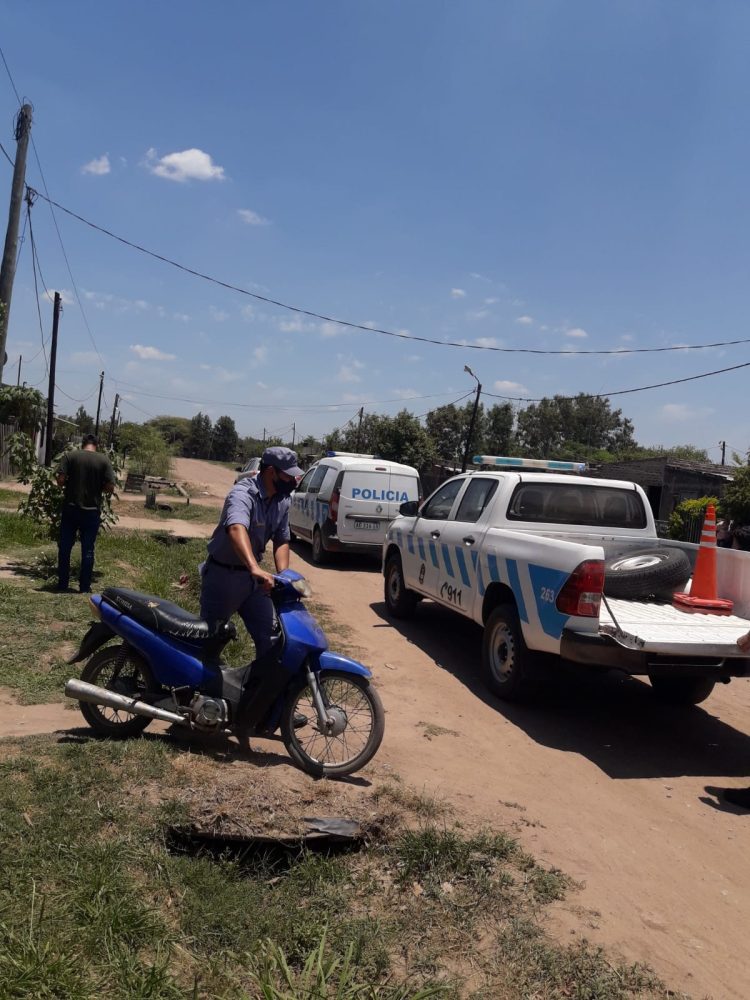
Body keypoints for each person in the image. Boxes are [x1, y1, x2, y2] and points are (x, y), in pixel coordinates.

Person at [199, 445, 302, 657]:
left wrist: (283, 576)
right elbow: (236, 528)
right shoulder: (242, 493)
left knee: (272, 640)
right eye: (288, 476)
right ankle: (195, 688)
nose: (292, 482)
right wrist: (254, 567)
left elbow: (282, 539)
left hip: (254, 582)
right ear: (271, 472)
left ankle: (258, 689)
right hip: (223, 577)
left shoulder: (282, 500)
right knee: (209, 641)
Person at [56, 434, 116, 593]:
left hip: (70, 508)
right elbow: (110, 487)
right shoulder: (103, 460)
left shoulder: (70, 456)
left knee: (65, 548)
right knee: (88, 550)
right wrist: (98, 488)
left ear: (83, 444)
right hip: (91, 512)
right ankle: (84, 587)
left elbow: (60, 480)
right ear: (97, 445)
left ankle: (62, 585)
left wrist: (69, 483)